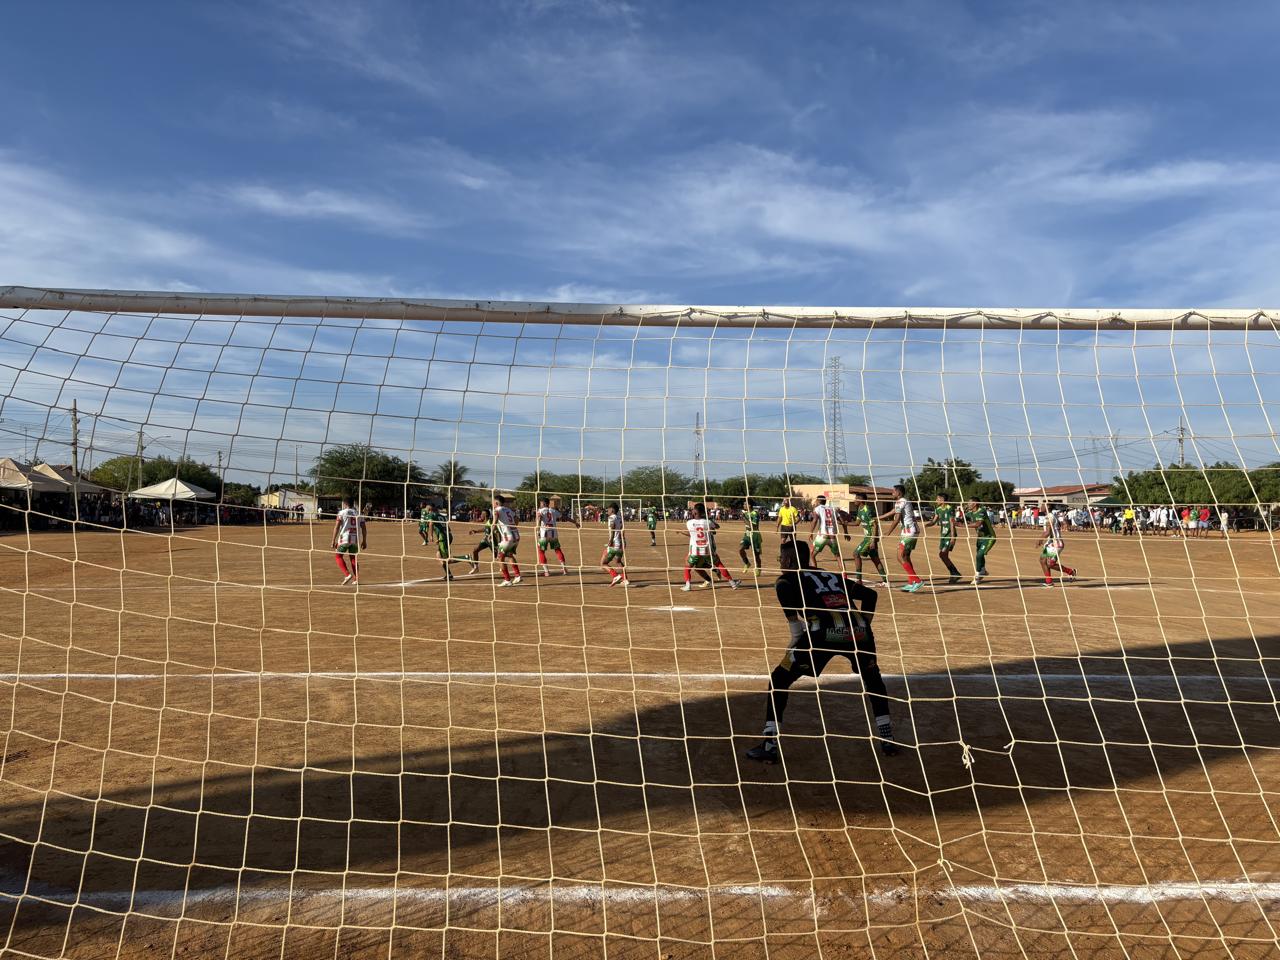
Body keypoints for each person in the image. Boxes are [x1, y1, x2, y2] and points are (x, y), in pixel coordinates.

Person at [744, 539, 897, 764]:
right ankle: (887, 738)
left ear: (788, 560)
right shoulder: (831, 576)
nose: (780, 563)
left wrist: (793, 647)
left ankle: (769, 745)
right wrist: (864, 625)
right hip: (859, 632)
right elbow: (871, 596)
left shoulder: (786, 581)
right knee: (873, 680)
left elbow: (794, 624)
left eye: (781, 559)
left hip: (823, 633)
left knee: (779, 678)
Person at [682, 503, 738, 591]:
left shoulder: (689, 523)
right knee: (719, 564)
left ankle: (688, 585)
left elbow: (691, 533)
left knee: (687, 566)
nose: (692, 510)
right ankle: (732, 583)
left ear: (695, 511)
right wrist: (709, 523)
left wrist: (681, 532)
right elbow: (717, 526)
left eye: (693, 509)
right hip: (708, 549)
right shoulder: (707, 522)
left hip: (695, 550)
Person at [879, 484, 923, 592]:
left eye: (893, 491)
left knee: (900, 556)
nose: (892, 493)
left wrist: (888, 532)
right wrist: (878, 518)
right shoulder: (903, 501)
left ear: (899, 493)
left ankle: (917, 581)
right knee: (906, 557)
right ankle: (911, 582)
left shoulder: (900, 501)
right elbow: (892, 512)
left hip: (909, 532)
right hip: (911, 531)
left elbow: (897, 518)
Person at [850, 492, 890, 587]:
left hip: (870, 538)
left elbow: (875, 524)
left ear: (861, 500)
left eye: (856, 498)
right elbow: (856, 523)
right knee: (875, 559)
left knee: (856, 554)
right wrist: (844, 523)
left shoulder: (868, 510)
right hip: (868, 538)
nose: (854, 500)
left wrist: (873, 540)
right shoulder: (860, 509)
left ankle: (859, 580)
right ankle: (885, 581)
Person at [535, 497, 580, 576]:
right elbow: (564, 517)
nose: (540, 505)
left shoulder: (540, 511)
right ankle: (564, 569)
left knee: (541, 551)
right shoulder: (553, 511)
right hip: (553, 533)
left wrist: (538, 529)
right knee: (557, 550)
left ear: (544, 503)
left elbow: (539, 518)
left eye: (541, 503)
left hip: (544, 533)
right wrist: (575, 522)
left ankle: (546, 571)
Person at [926, 493, 963, 584]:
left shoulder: (949, 508)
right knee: (943, 555)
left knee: (942, 554)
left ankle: (955, 573)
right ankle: (955, 573)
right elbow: (934, 521)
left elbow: (952, 523)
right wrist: (928, 524)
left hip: (949, 535)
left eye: (937, 499)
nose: (936, 500)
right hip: (943, 535)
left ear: (942, 500)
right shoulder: (938, 509)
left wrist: (953, 537)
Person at [331, 498, 366, 585]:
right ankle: (356, 579)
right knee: (353, 558)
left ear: (345, 503)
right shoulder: (358, 513)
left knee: (338, 556)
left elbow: (337, 527)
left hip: (344, 538)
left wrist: (333, 540)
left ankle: (347, 574)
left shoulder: (341, 513)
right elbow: (364, 528)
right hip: (355, 539)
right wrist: (364, 541)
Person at [809, 495, 850, 567]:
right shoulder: (832, 509)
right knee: (838, 557)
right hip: (833, 537)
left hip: (823, 536)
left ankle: (815, 573)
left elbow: (815, 520)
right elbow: (843, 522)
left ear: (818, 501)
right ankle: (844, 575)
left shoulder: (817, 509)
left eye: (816, 500)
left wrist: (811, 532)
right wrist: (846, 532)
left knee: (812, 555)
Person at [1039, 509, 1077, 587]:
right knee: (1043, 560)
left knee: (1050, 564)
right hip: (1051, 543)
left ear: (1047, 506)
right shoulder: (1048, 516)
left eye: (1043, 504)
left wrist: (1039, 539)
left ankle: (1071, 572)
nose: (1041, 506)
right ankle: (1049, 582)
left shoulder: (1050, 516)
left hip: (1056, 543)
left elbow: (1048, 532)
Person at [492, 495, 523, 586]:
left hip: (507, 537)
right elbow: (517, 519)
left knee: (500, 558)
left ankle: (507, 580)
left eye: (493, 502)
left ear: (497, 503)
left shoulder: (496, 510)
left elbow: (495, 521)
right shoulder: (508, 510)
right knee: (509, 555)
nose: (493, 504)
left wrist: (491, 532)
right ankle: (517, 576)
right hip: (516, 535)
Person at [967, 497, 997, 585]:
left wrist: (962, 525)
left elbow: (978, 524)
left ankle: (977, 575)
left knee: (979, 555)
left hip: (989, 537)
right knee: (979, 555)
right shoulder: (970, 513)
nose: (968, 504)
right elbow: (963, 518)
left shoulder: (982, 511)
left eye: (969, 503)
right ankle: (983, 570)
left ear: (975, 503)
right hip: (980, 538)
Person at [599, 503, 630, 586]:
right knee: (618, 561)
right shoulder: (620, 518)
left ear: (612, 510)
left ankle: (615, 576)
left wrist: (611, 540)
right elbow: (622, 529)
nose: (607, 511)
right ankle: (625, 579)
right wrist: (623, 540)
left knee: (603, 563)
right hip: (621, 543)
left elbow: (612, 527)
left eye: (608, 509)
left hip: (614, 544)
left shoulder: (611, 517)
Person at [738, 500, 764, 576]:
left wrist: (744, 517)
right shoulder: (745, 513)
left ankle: (758, 568)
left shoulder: (755, 513)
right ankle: (747, 563)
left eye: (745, 504)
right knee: (740, 549)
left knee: (756, 555)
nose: (743, 505)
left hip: (755, 535)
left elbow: (753, 526)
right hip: (747, 535)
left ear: (749, 505)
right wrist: (744, 516)